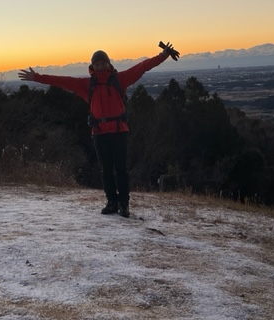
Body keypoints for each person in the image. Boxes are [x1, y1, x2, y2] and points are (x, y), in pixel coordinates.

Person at [18, 42, 179, 218]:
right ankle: (112, 202)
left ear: (109, 64)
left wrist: (163, 55)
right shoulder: (87, 85)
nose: (100, 66)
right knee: (106, 170)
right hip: (99, 132)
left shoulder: (120, 79)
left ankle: (124, 204)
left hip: (119, 131)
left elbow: (142, 67)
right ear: (92, 66)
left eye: (103, 62)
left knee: (121, 169)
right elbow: (61, 81)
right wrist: (37, 77)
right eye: (97, 63)